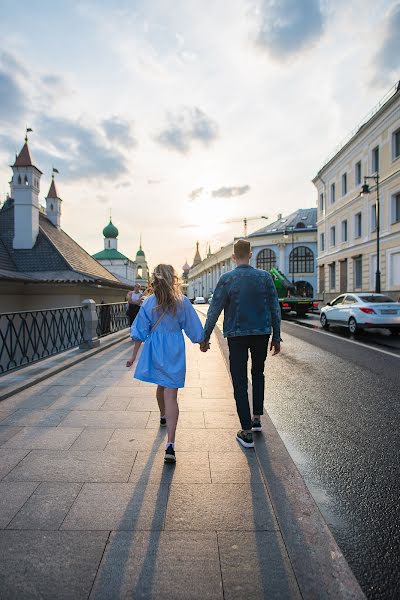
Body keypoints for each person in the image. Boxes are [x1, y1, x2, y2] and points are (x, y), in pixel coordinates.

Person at [201, 239, 281, 449]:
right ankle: (256, 419)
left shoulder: (227, 279)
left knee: (239, 381)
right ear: (251, 254)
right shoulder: (264, 277)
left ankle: (246, 433)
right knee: (258, 373)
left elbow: (214, 308)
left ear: (233, 257)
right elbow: (275, 308)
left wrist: (206, 336)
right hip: (261, 333)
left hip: (236, 335)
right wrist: (277, 336)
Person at [126, 264, 204, 463]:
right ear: (173, 278)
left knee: (161, 385)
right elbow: (193, 327)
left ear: (155, 279)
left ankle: (162, 415)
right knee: (171, 393)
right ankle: (170, 444)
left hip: (155, 349)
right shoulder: (182, 302)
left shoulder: (149, 302)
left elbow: (139, 332)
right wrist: (202, 341)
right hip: (174, 349)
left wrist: (133, 356)